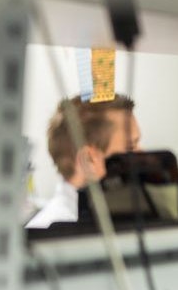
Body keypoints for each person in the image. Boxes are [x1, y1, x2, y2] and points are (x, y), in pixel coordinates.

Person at [26, 94, 141, 229]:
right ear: (89, 159)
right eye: (131, 146)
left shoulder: (127, 216)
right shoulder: (49, 237)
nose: (143, 153)